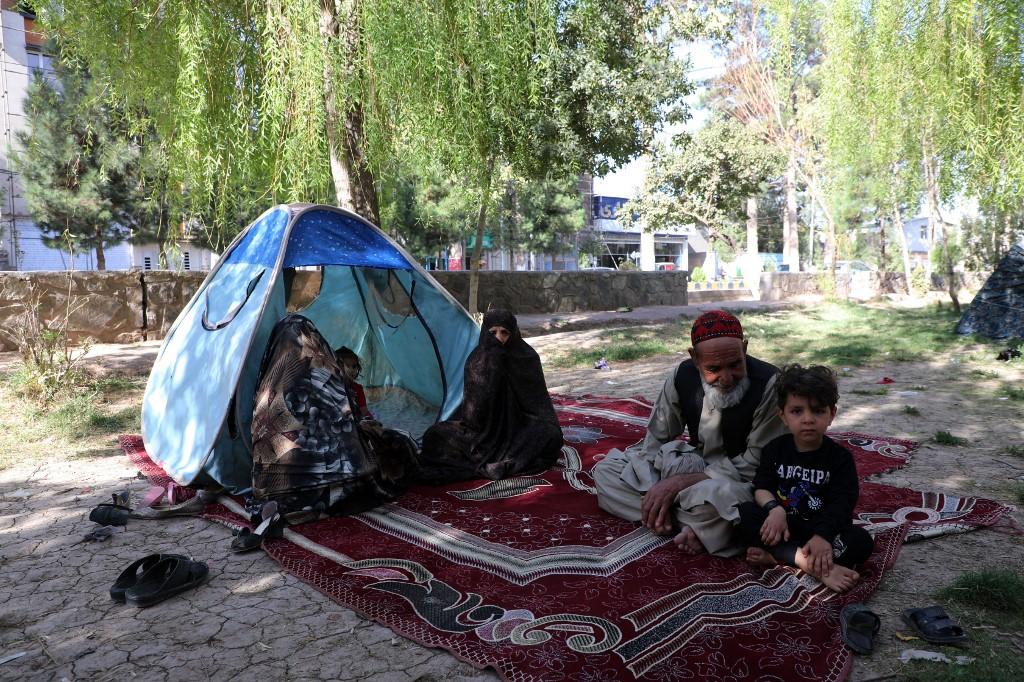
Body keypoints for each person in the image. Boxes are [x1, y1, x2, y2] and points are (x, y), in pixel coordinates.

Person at [593, 310, 788, 556]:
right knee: (607, 471)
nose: (726, 378)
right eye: (714, 368)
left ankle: (666, 516)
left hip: (739, 483)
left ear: (745, 349)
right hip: (695, 477)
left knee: (730, 500)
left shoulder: (770, 384)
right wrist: (658, 486)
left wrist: (677, 484)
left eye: (735, 364)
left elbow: (754, 466)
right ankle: (691, 524)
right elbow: (655, 441)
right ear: (695, 358)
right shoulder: (681, 376)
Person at [250, 314, 408, 519]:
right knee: (393, 446)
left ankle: (296, 502)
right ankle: (318, 498)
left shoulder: (266, 392)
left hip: (275, 484)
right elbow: (346, 426)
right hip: (339, 475)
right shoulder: (327, 381)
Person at [736, 364, 873, 593]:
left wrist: (822, 537)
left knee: (861, 542)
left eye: (818, 410)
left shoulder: (840, 458)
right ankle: (811, 564)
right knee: (744, 515)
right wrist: (774, 509)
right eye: (797, 411)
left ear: (832, 414)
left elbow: (842, 504)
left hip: (824, 531)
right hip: (783, 527)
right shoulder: (774, 449)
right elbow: (761, 487)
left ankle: (779, 556)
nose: (808, 419)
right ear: (783, 416)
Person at [417, 309, 563, 483]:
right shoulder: (477, 360)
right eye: (492, 332)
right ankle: (499, 456)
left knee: (552, 436)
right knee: (434, 436)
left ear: (514, 333)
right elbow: (474, 418)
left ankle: (500, 455)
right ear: (485, 334)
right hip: (483, 433)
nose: (498, 338)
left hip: (518, 427)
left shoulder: (527, 358)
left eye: (504, 332)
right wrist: (492, 366)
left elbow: (539, 406)